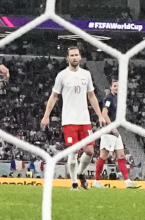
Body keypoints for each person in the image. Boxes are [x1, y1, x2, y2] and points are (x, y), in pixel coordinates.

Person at [40, 46, 109, 190]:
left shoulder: (86, 74)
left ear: (80, 57)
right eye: (71, 55)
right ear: (67, 58)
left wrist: (100, 115)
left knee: (89, 151)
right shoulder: (62, 75)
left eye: (76, 55)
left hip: (84, 120)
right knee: (73, 152)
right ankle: (74, 183)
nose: (74, 57)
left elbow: (91, 95)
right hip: (69, 120)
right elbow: (54, 96)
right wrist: (46, 115)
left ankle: (80, 173)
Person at [92, 79, 139, 189]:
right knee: (104, 155)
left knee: (121, 155)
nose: (116, 88)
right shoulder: (108, 98)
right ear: (111, 87)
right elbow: (104, 113)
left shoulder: (116, 99)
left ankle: (127, 181)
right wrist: (112, 127)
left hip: (115, 131)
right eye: (115, 86)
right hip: (109, 130)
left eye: (118, 86)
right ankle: (96, 180)